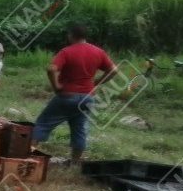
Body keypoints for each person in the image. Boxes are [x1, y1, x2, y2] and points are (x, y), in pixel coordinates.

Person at [31, 24, 118, 165]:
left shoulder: (66, 51)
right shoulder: (98, 52)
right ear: (84, 36)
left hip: (67, 96)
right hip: (87, 98)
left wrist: (56, 87)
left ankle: (28, 154)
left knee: (42, 124)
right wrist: (97, 82)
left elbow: (51, 69)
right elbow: (113, 70)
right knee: (80, 129)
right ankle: (74, 163)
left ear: (71, 35)